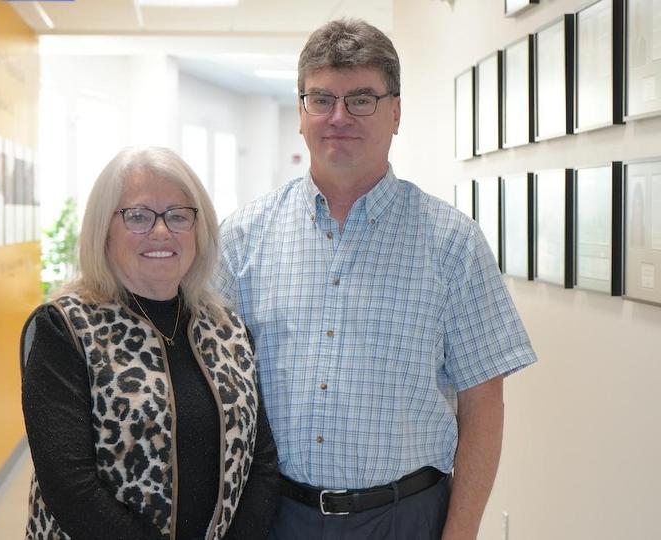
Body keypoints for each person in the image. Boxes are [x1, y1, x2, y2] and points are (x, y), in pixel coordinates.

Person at [214, 18, 537, 540]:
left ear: (396, 112)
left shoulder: (453, 244)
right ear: (301, 112)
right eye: (321, 99)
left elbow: (483, 406)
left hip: (406, 516)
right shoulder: (242, 239)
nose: (339, 117)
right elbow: (213, 391)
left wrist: (460, 533)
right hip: (274, 517)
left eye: (361, 99)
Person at [21, 146, 280, 540]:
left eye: (178, 216)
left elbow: (261, 464)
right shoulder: (65, 329)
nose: (162, 232)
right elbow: (72, 489)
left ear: (200, 229)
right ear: (104, 230)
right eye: (138, 216)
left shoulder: (227, 329)